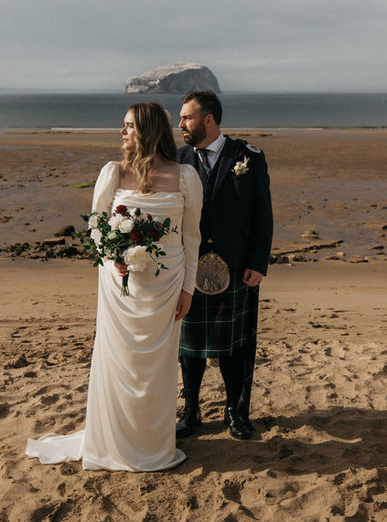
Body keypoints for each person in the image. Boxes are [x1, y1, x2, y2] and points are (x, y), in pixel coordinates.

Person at [26, 102, 202, 471]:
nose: (122, 132)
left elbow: (191, 237)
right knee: (119, 360)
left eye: (129, 126)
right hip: (120, 285)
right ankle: (115, 441)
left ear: (149, 130)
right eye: (122, 126)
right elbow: (96, 226)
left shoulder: (186, 177)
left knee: (157, 366)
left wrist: (188, 289)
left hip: (167, 286)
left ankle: (152, 444)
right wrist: (112, 255)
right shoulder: (113, 173)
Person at [176, 90, 273, 440]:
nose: (180, 123)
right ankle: (191, 411)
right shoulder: (178, 158)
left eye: (186, 117)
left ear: (209, 120)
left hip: (236, 267)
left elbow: (263, 214)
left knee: (235, 346)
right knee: (189, 347)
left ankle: (237, 412)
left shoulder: (247, 156)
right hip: (188, 267)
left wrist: (259, 263)